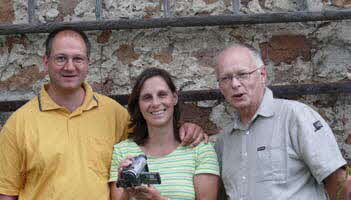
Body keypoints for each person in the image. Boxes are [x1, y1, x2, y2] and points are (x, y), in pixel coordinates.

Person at [0, 28, 206, 200]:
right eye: (61, 58)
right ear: (46, 61)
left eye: (78, 59)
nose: (70, 66)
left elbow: (153, 134)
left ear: (88, 62)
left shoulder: (114, 113)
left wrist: (185, 128)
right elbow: (6, 193)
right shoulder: (19, 124)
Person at [214, 44, 351, 200]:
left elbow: (341, 183)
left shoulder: (295, 116)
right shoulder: (223, 141)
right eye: (226, 78)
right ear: (220, 86)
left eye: (243, 74)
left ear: (262, 74)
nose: (235, 84)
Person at [109, 67, 220, 200]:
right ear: (138, 104)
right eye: (147, 97)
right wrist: (126, 190)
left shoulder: (200, 149)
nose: (155, 103)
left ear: (174, 98)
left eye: (162, 94)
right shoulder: (122, 151)